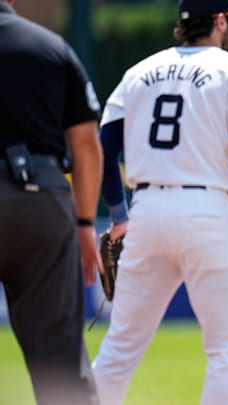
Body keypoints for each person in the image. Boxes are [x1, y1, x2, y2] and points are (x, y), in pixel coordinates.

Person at [90, 0, 228, 404]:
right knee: (225, 353)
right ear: (220, 20)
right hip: (206, 212)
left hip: (146, 209)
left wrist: (119, 215)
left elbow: (102, 150)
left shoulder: (140, 72)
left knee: (118, 350)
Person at [0, 1, 103, 404]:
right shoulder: (51, 47)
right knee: (60, 360)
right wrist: (84, 222)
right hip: (43, 199)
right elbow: (85, 145)